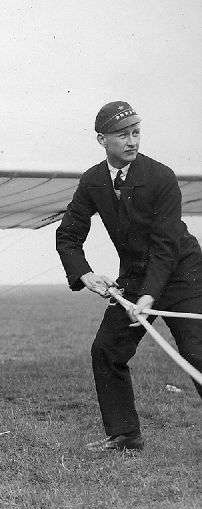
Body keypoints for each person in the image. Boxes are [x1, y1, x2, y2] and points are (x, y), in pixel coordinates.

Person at [56, 101, 202, 452]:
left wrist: (148, 297)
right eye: (123, 135)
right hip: (136, 278)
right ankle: (124, 435)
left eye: (136, 133)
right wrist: (86, 275)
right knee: (106, 350)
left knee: (197, 355)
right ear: (101, 139)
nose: (132, 141)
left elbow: (166, 247)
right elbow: (68, 236)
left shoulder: (161, 177)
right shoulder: (93, 181)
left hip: (182, 274)